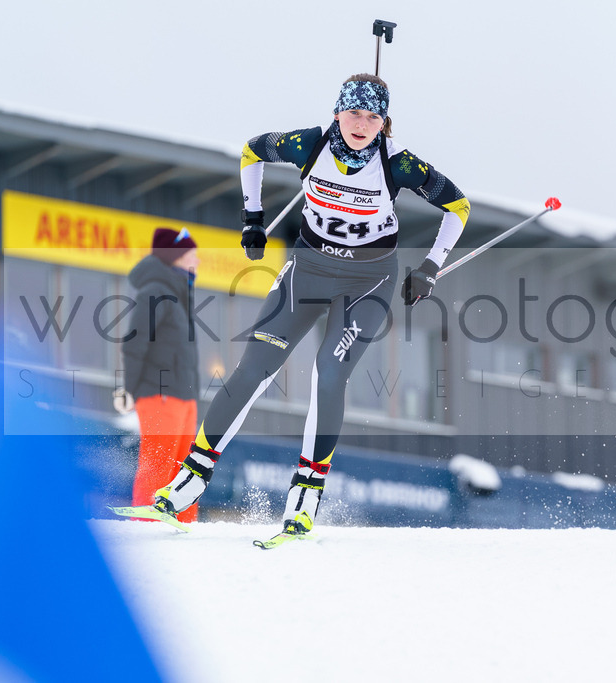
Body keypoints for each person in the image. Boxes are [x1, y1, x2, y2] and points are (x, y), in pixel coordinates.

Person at [151, 73, 470, 537]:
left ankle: (305, 496)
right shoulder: (307, 144)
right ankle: (191, 479)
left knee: (330, 373)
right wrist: (252, 218)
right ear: (337, 112)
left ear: (384, 123)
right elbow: (252, 152)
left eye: (373, 117)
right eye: (354, 113)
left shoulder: (399, 163)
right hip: (308, 271)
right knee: (254, 368)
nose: (361, 124)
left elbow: (458, 206)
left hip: (368, 282)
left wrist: (431, 267)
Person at [115, 227, 201, 523]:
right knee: (158, 462)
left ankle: (182, 523)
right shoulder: (155, 290)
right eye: (192, 254)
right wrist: (128, 389)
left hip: (184, 394)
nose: (197, 261)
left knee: (186, 468)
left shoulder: (179, 293)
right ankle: (146, 521)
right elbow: (135, 343)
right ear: (175, 256)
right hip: (159, 392)